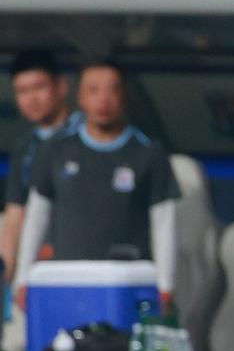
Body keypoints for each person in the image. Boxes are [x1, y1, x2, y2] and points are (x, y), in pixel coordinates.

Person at [14, 61, 179, 314]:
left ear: (124, 96)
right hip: (67, 279)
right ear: (80, 97)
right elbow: (37, 215)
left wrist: (166, 284)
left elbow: (164, 221)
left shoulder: (148, 152)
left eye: (112, 90)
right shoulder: (56, 149)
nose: (103, 100)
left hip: (125, 282)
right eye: (93, 90)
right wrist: (23, 278)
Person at [0, 50, 83, 283]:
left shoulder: (90, 136)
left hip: (83, 264)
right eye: (22, 91)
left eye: (39, 87)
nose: (31, 99)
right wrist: (6, 272)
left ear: (62, 87)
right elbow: (15, 213)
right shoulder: (25, 148)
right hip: (37, 267)